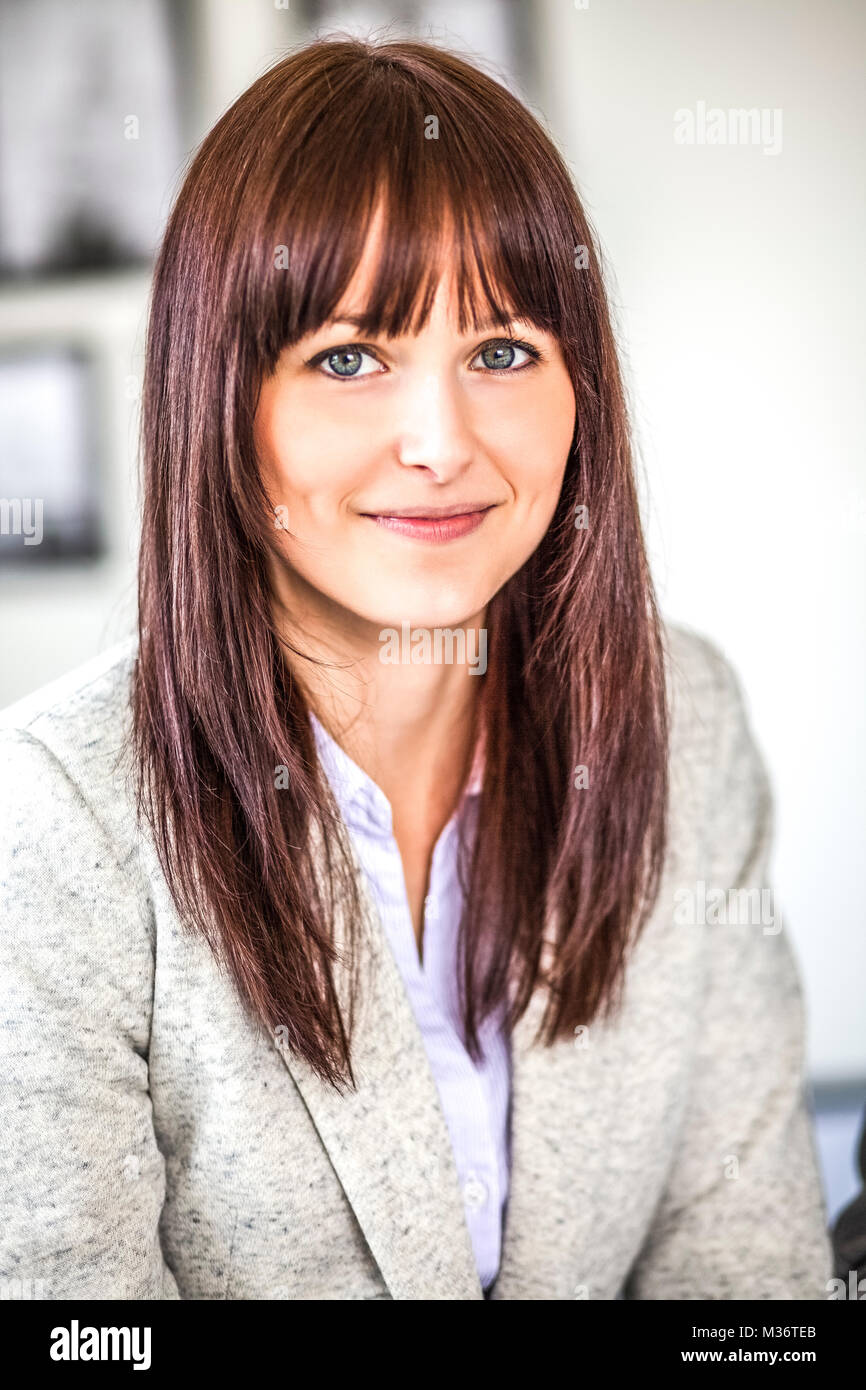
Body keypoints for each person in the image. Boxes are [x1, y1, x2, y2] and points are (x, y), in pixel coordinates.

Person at [0, 36, 832, 1300]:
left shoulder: (683, 718)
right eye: (347, 358)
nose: (439, 444)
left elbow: (743, 1273)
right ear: (222, 402)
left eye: (502, 351)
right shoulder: (54, 817)